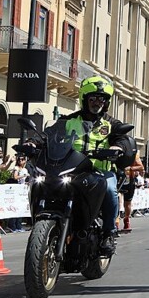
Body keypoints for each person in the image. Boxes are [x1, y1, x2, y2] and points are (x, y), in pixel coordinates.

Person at [60, 76, 133, 256]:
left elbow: (122, 138)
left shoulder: (111, 123)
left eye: (102, 99)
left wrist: (118, 147)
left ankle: (109, 232)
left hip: (101, 171)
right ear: (84, 99)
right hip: (73, 170)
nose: (97, 103)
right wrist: (33, 142)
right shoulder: (69, 121)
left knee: (109, 189)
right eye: (93, 99)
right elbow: (50, 135)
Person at [6, 156, 30, 231]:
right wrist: (23, 175)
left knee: (20, 208)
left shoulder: (25, 169)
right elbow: (15, 177)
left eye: (22, 159)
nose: (20, 161)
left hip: (22, 190)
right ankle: (12, 226)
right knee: (15, 207)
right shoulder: (16, 168)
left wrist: (27, 182)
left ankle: (18, 226)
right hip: (16, 189)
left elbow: (23, 180)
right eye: (19, 159)